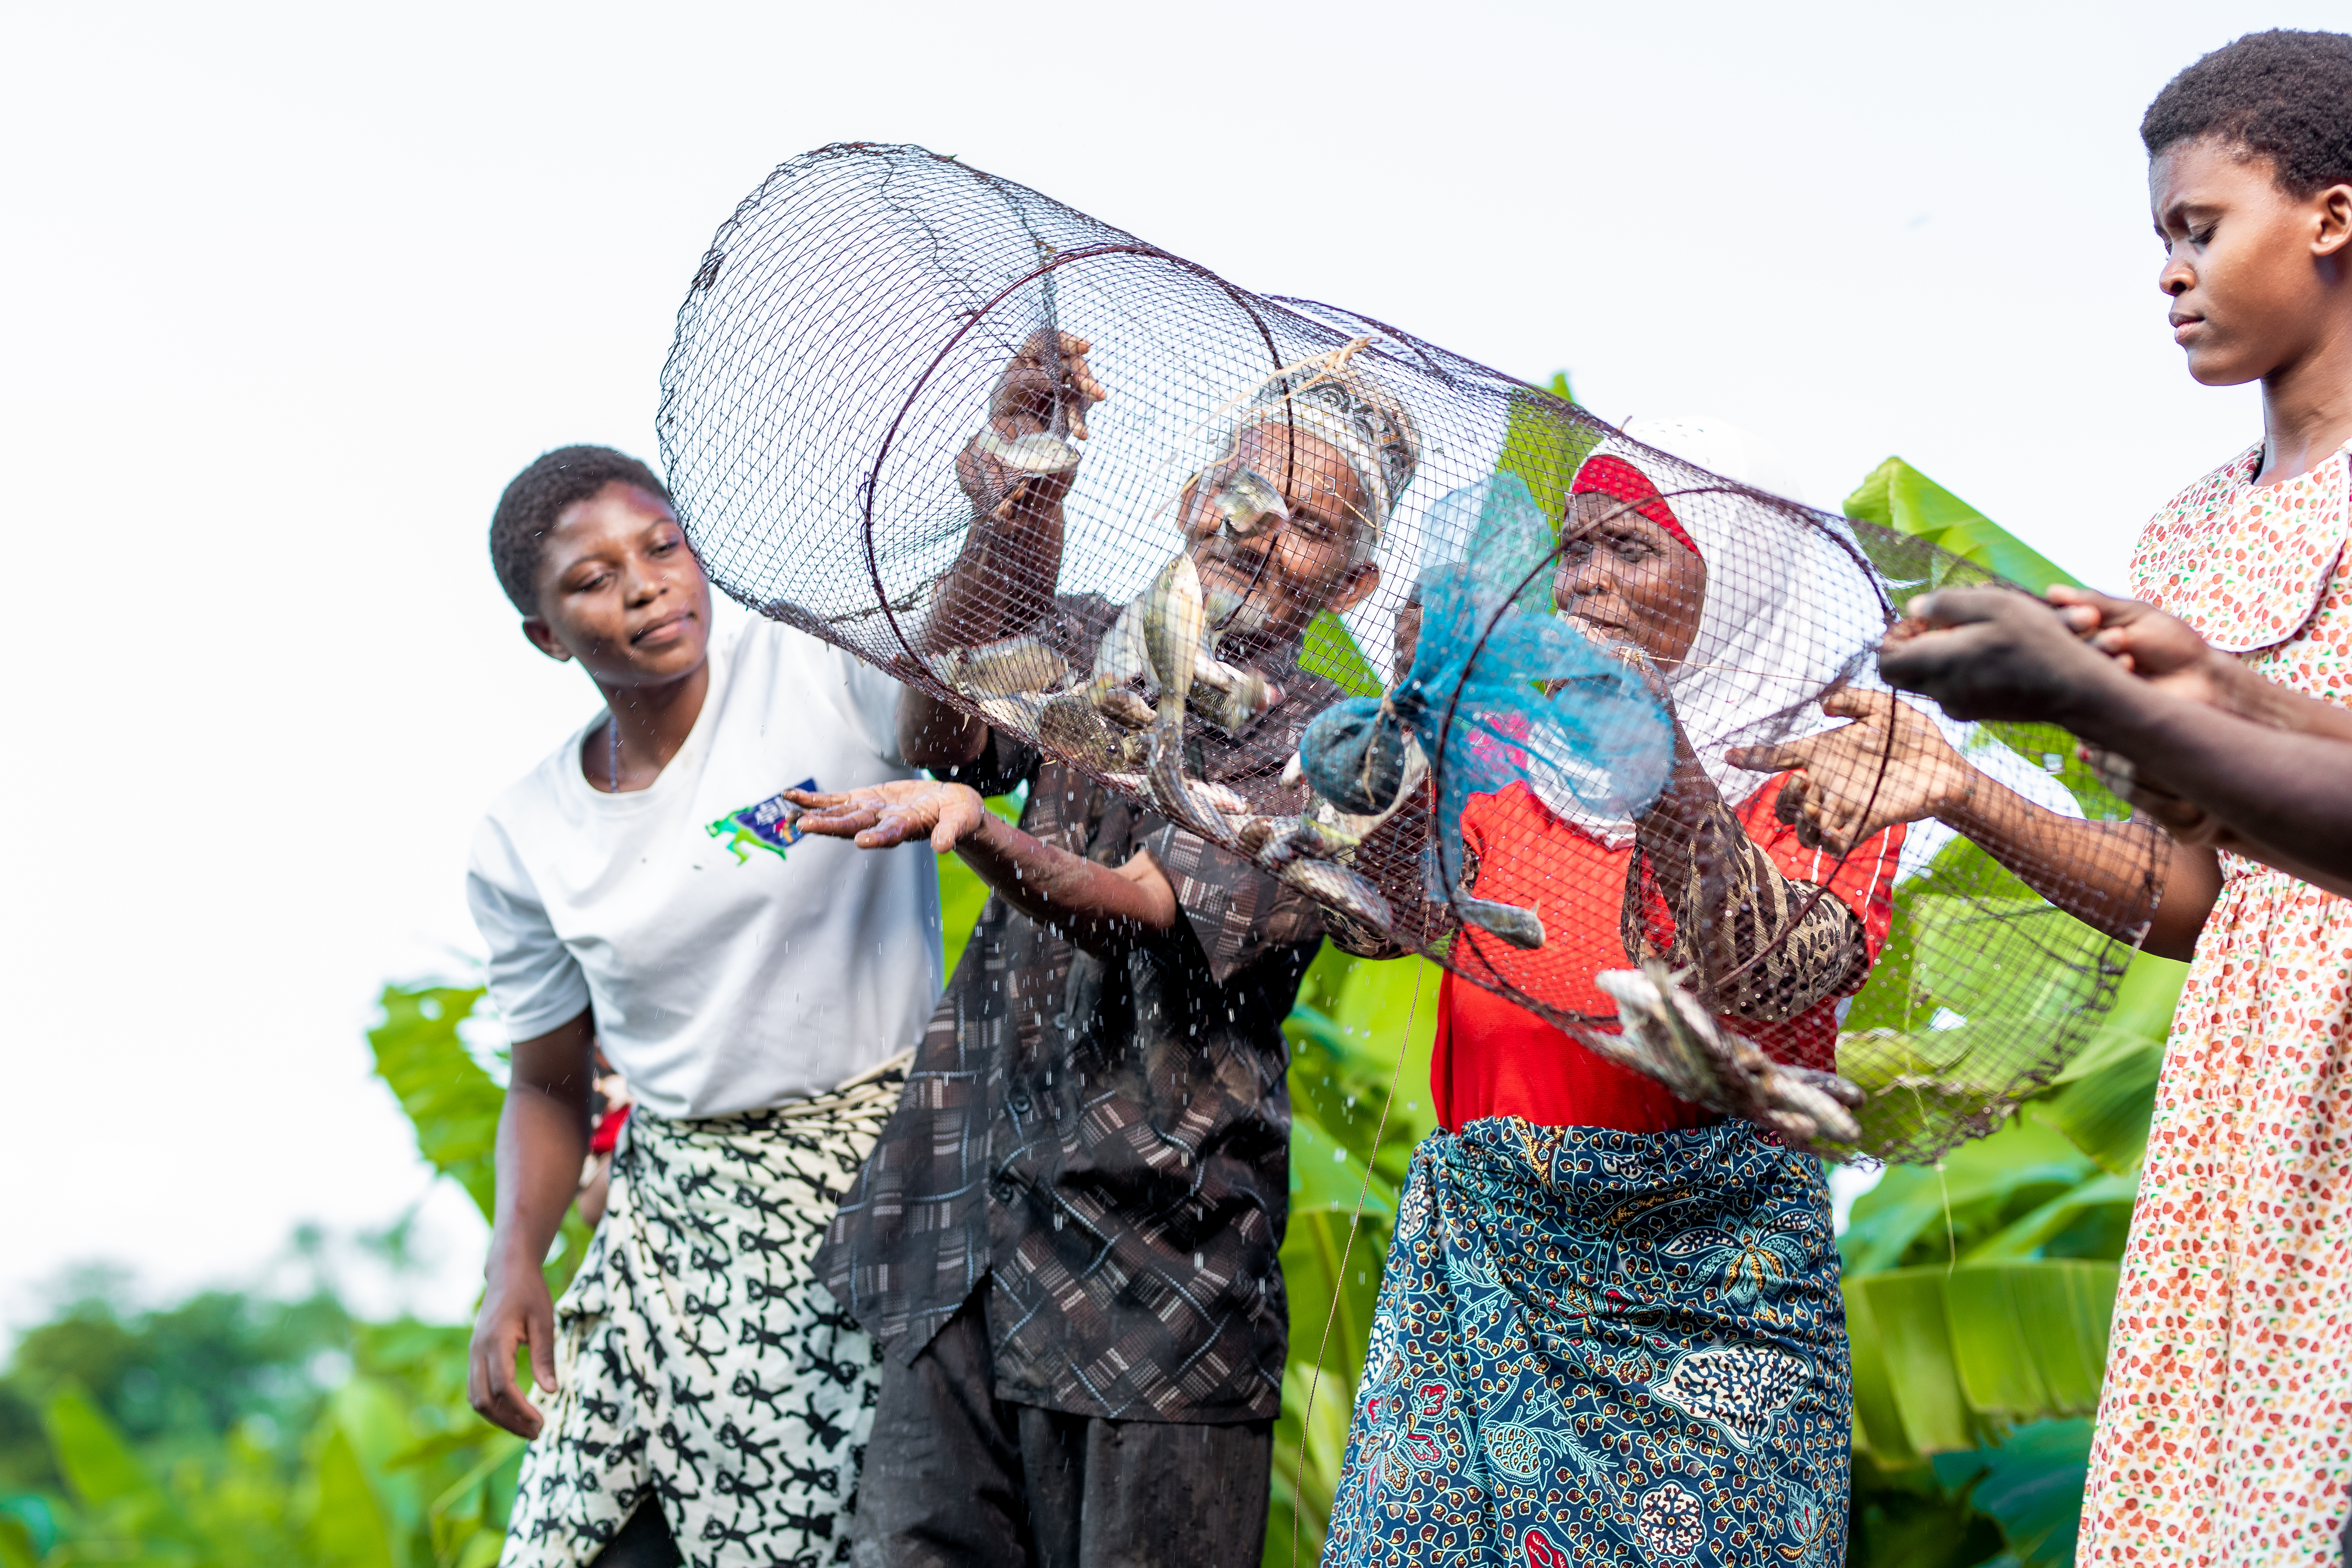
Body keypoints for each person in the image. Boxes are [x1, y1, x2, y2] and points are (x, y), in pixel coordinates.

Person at [789, 333, 1416, 1568]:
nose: (1251, 530)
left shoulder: (1345, 756)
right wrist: (1026, 491)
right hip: (961, 1227)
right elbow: (947, 725)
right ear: (1191, 499)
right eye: (1239, 491)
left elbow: (1152, 906)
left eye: (1303, 523)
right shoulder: (1092, 644)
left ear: (1351, 584)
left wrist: (980, 837)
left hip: (1155, 1281)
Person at [1862, 31, 2352, 1560]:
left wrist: (2127, 702)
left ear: (2332, 217)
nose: (2170, 275)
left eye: (2200, 229)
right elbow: (2196, 897)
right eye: (2161, 240)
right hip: (2243, 1113)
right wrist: (1965, 793)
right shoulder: (2188, 534)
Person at [1320, 426, 1907, 1568]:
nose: (1587, 582)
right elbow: (1376, 919)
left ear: (1735, 581)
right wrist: (1413, 721)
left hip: (1711, 1292)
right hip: (1485, 1270)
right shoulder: (1508, 767)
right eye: (1576, 552)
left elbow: (1776, 973)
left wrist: (1663, 755)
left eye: (1628, 549)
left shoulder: (1837, 777)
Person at [462, 446, 943, 1567]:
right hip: (667, 1226)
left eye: (662, 548)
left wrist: (1009, 502)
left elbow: (949, 735)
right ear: (546, 635)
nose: (642, 586)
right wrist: (513, 1262)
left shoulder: (821, 672)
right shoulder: (525, 835)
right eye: (590, 580)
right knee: (566, 1548)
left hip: (870, 1202)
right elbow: (546, 1079)